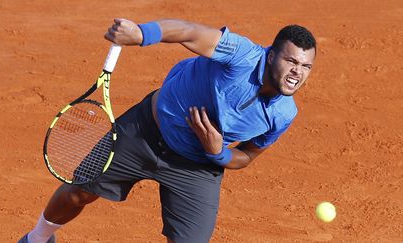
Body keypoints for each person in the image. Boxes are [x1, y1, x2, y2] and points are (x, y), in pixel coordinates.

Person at [19, 18, 316, 243]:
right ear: (271, 55)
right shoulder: (242, 55)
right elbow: (189, 32)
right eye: (291, 60)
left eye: (305, 66)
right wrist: (141, 34)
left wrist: (219, 152)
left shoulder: (283, 114)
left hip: (196, 166)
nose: (297, 72)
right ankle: (37, 238)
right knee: (77, 193)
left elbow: (247, 157)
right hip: (144, 132)